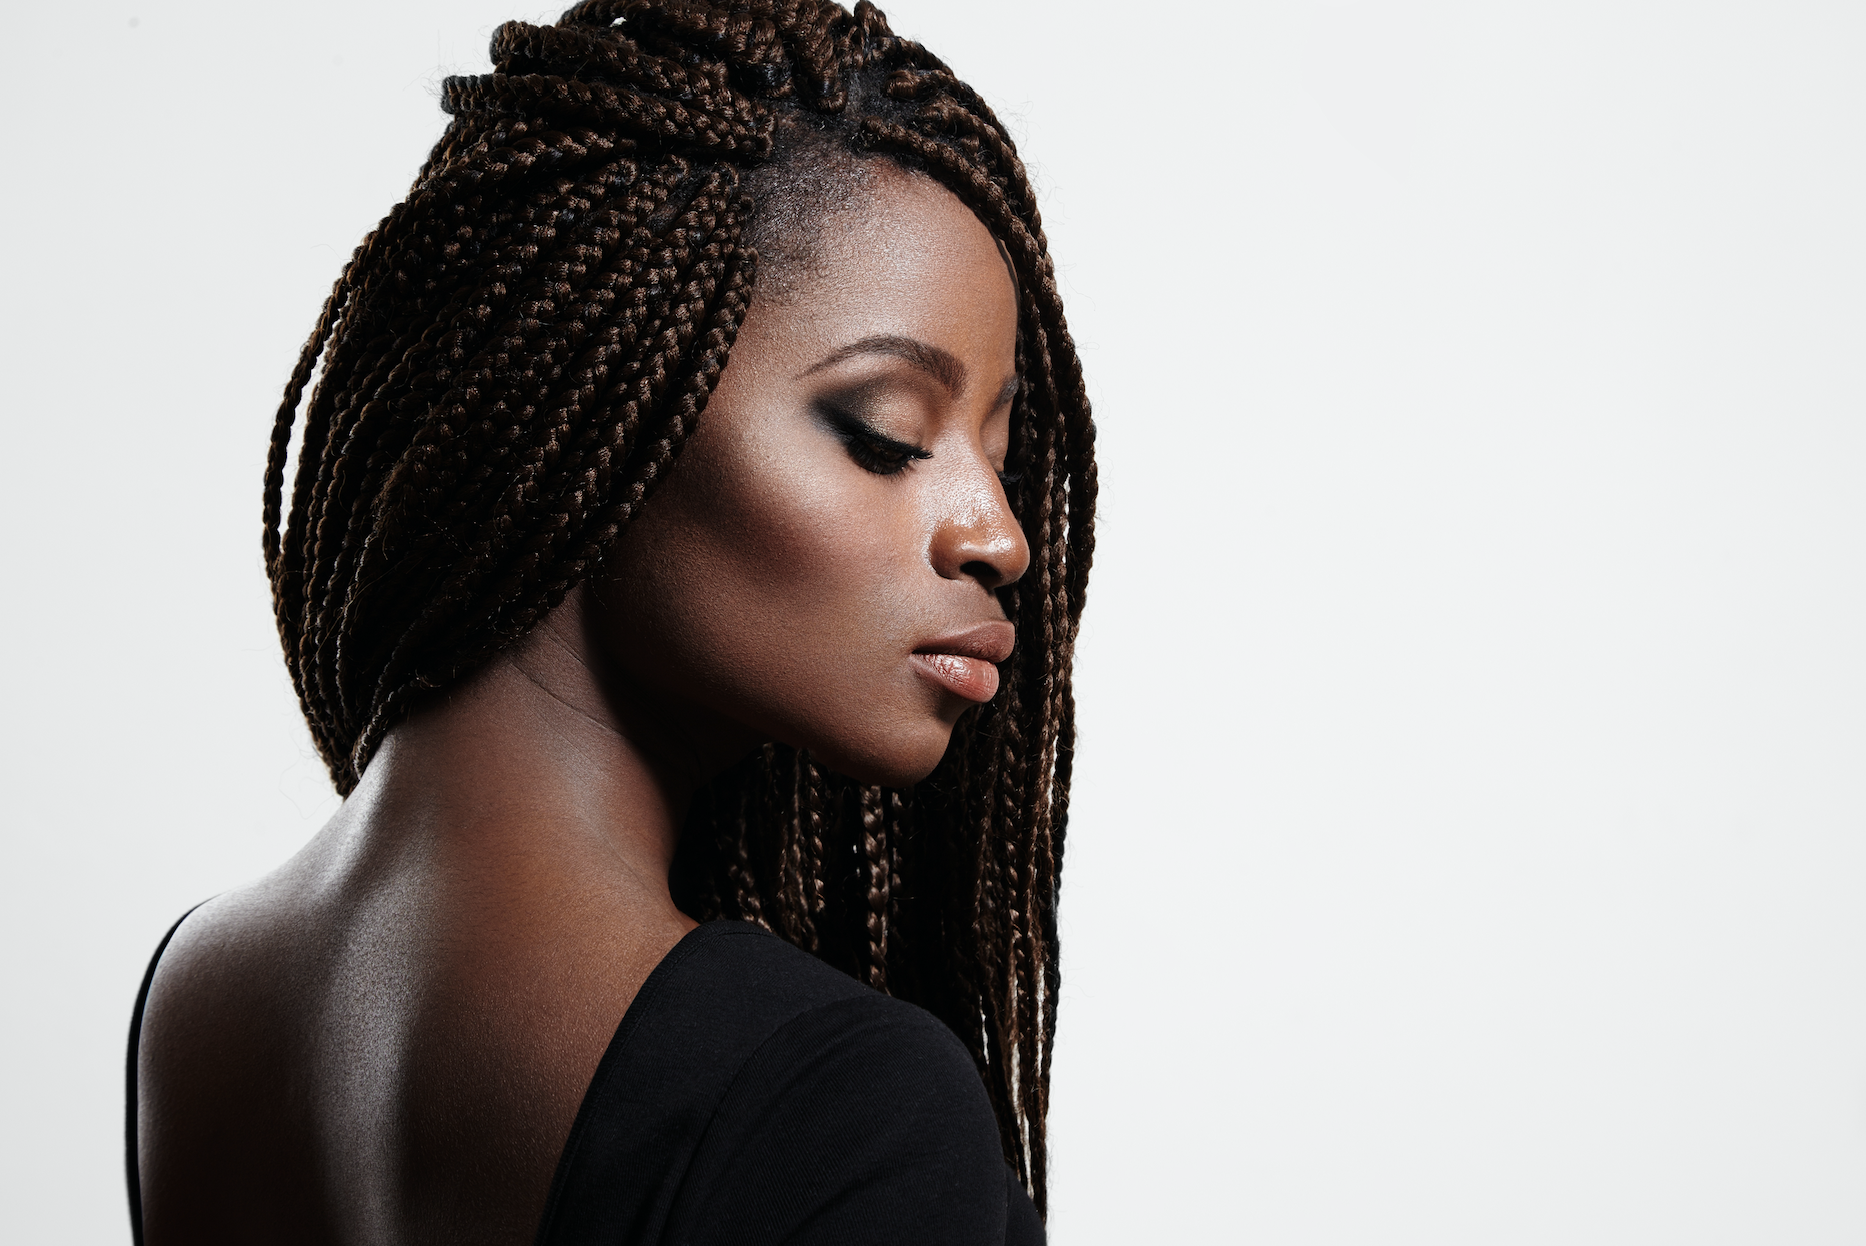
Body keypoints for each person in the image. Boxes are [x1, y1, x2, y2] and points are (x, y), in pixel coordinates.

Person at [125, 1, 1095, 1241]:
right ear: (597, 413)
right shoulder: (832, 1098)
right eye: (887, 436)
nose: (1000, 536)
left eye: (1002, 457)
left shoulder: (198, 996)